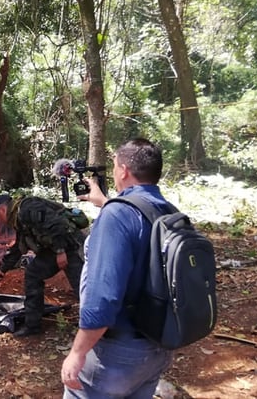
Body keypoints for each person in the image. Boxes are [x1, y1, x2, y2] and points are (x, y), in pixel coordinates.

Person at [61, 138, 174, 398]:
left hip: (118, 353)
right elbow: (139, 235)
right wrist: (106, 203)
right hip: (158, 347)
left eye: (114, 167)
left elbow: (102, 300)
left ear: (123, 170)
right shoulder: (168, 212)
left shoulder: (117, 216)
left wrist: (77, 353)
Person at [0, 193, 88, 337]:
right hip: (53, 250)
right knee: (33, 274)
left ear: (1, 210)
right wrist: (3, 269)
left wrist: (60, 251)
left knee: (82, 285)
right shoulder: (18, 217)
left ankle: (97, 325)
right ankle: (32, 325)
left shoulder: (28, 207)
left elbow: (57, 225)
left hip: (70, 246)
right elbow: (18, 246)